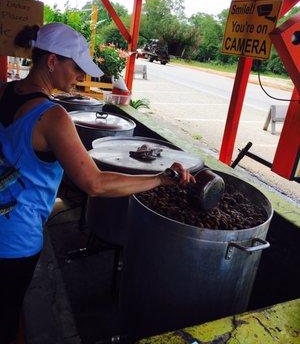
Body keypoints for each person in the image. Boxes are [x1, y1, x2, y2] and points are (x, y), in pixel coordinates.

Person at [0, 22, 194, 344]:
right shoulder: (53, 116)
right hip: (15, 241)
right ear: (52, 61)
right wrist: (160, 178)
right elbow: (96, 183)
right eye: (76, 68)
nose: (80, 76)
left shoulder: (4, 90)